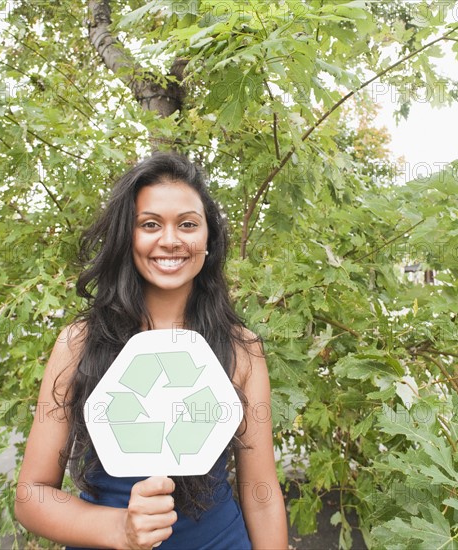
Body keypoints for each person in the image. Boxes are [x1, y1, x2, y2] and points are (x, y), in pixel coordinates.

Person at [15, 152, 288, 549]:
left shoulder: (241, 349)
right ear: (129, 237)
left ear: (208, 239)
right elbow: (32, 495)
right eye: (150, 224)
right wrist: (119, 528)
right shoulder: (79, 342)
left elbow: (261, 497)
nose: (171, 240)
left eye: (188, 224)